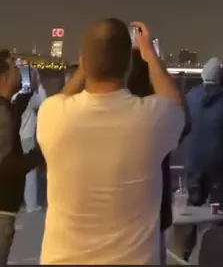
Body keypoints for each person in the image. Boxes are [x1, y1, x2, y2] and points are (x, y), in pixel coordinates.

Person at [37, 19, 185, 265]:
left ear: (84, 62)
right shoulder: (151, 119)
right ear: (128, 65)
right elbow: (176, 104)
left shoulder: (51, 114)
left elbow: (61, 100)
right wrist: (149, 55)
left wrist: (84, 69)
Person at [127, 48, 176, 265]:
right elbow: (179, 110)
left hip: (120, 212)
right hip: (154, 210)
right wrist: (155, 61)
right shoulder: (158, 112)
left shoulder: (116, 110)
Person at [184, 57, 223, 217]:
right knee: (218, 213)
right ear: (219, 78)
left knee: (192, 211)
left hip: (193, 163)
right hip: (220, 166)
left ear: (203, 75)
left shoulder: (189, 97)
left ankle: (189, 231)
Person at [0, 51, 42, 265]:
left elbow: (20, 104)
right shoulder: (2, 112)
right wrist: (40, 154)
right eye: (15, 69)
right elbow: (6, 164)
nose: (19, 72)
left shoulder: (6, 106)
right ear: (4, 79)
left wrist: (28, 82)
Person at [20, 68, 47, 212]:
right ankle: (31, 204)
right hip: (27, 136)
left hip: (16, 136)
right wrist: (39, 83)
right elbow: (44, 102)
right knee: (30, 172)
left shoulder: (15, 94)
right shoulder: (29, 96)